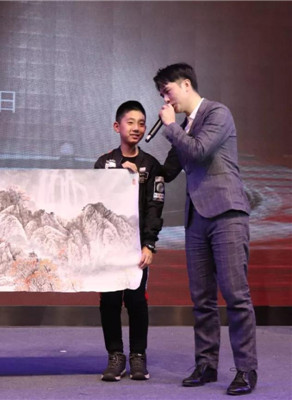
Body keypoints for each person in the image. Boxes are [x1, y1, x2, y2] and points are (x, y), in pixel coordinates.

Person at [153, 62, 257, 396]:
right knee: (202, 299)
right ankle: (206, 364)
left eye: (167, 91)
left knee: (235, 295)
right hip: (196, 218)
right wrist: (136, 168)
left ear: (186, 85)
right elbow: (168, 171)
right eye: (162, 95)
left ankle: (245, 369)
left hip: (227, 213)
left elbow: (198, 151)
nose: (165, 100)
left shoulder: (217, 113)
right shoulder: (184, 126)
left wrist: (171, 127)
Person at [94, 100, 164, 382]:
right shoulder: (103, 164)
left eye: (142, 123)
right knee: (110, 301)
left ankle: (137, 355)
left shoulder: (151, 165)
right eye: (130, 122)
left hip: (137, 248)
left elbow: (154, 208)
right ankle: (115, 355)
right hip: (109, 248)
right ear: (117, 126)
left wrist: (149, 244)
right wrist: (120, 179)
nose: (136, 128)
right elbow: (95, 205)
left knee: (136, 301)